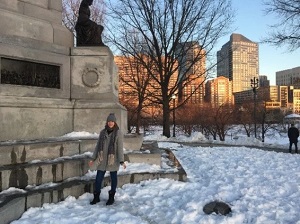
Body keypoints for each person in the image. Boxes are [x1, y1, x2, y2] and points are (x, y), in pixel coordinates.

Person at [89, 113, 126, 205]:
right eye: (109, 121)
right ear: (107, 122)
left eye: (112, 121)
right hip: (102, 159)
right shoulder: (102, 132)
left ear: (115, 122)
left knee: (113, 178)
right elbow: (98, 146)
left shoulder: (118, 133)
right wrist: (93, 158)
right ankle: (96, 197)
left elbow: (120, 148)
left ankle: (111, 197)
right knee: (98, 178)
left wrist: (121, 161)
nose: (110, 123)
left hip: (113, 159)